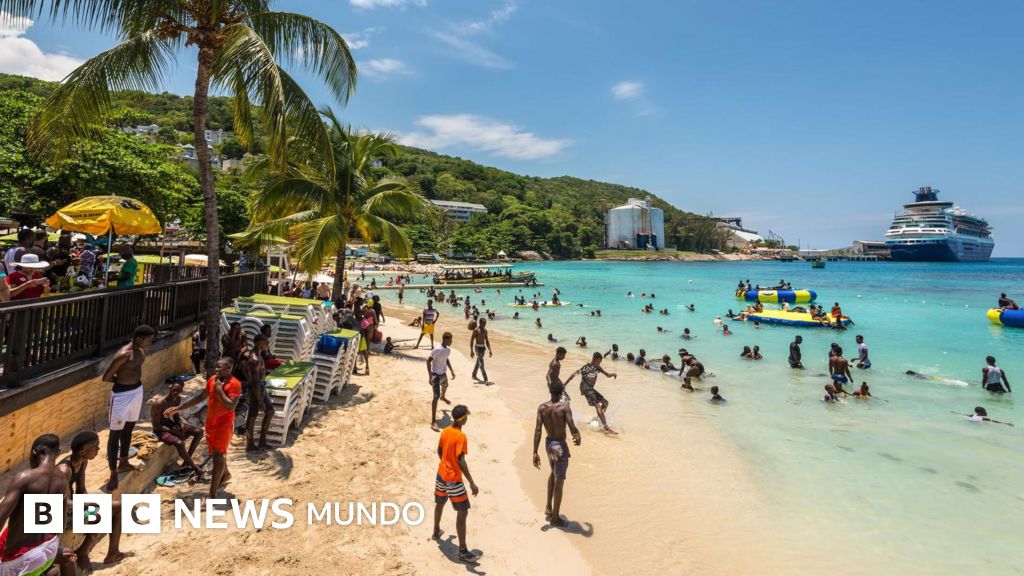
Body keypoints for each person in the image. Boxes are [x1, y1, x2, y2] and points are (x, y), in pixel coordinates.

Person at [166, 357, 241, 498]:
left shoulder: (235, 384)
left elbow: (231, 405)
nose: (216, 369)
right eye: (216, 366)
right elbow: (200, 397)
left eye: (220, 367)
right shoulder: (213, 379)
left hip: (224, 425)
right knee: (216, 453)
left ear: (229, 368)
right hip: (211, 423)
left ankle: (211, 496)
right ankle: (225, 475)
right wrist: (178, 408)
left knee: (218, 457)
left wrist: (219, 390)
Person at [58, 430, 131, 572]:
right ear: (82, 451)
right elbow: (64, 504)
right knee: (99, 514)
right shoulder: (64, 470)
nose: (98, 449)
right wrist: (93, 505)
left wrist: (90, 503)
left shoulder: (82, 462)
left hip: (72, 505)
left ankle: (113, 553)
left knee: (118, 507)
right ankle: (83, 552)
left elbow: (81, 490)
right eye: (95, 447)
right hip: (59, 514)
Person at [0, 434, 67, 576]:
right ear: (58, 453)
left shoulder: (26, 477)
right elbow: (60, 523)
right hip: (49, 549)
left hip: (20, 561)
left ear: (34, 452)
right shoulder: (62, 479)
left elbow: (2, 515)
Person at [100, 324, 154, 491]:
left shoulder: (141, 352)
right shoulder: (123, 355)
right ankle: (113, 472)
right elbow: (107, 377)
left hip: (137, 391)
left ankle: (124, 461)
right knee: (115, 433)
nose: (150, 343)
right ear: (139, 339)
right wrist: (121, 383)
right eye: (148, 340)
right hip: (121, 395)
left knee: (129, 428)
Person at [431, 404, 480, 563]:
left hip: (441, 474)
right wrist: (472, 482)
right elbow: (461, 461)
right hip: (453, 479)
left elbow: (439, 451)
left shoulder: (445, 431)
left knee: (440, 502)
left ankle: (436, 531)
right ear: (463, 419)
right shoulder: (461, 436)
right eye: (467, 417)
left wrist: (446, 463)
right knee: (463, 511)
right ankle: (463, 551)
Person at [533, 381, 582, 528]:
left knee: (553, 474)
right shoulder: (564, 408)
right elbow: (572, 426)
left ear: (550, 391)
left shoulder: (542, 408)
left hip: (549, 444)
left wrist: (535, 451)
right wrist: (578, 437)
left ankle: (549, 507)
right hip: (560, 446)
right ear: (562, 392)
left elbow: (538, 430)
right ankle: (555, 518)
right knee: (559, 481)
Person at [150, 380, 204, 477]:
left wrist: (180, 424)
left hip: (170, 425)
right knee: (180, 443)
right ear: (170, 388)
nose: (175, 393)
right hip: (161, 430)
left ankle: (187, 462)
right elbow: (156, 426)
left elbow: (176, 416)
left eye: (178, 391)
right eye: (174, 390)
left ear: (181, 391)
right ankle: (195, 468)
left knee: (199, 432)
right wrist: (173, 431)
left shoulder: (177, 399)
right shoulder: (158, 404)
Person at [565, 352, 618, 434]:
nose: (599, 363)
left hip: (590, 389)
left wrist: (613, 374)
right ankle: (606, 427)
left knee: (605, 403)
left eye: (600, 362)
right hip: (585, 388)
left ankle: (598, 419)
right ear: (594, 359)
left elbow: (607, 375)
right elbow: (573, 375)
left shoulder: (598, 368)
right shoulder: (585, 368)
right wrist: (564, 384)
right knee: (597, 405)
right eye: (599, 361)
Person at [244, 335, 276, 450]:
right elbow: (254, 383)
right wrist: (260, 400)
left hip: (261, 387)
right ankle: (250, 443)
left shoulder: (259, 355)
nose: (268, 345)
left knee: (270, 411)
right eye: (266, 342)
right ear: (259, 344)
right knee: (252, 416)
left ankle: (262, 440)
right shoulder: (254, 359)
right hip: (256, 390)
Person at [428, 332, 457, 432]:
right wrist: (430, 377)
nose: (451, 341)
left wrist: (452, 370)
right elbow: (428, 361)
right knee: (435, 397)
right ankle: (433, 421)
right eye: (450, 339)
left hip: (443, 374)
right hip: (435, 375)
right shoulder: (437, 349)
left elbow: (446, 359)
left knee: (445, 386)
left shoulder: (448, 350)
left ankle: (443, 397)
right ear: (445, 339)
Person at [469, 319, 492, 383]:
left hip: (483, 348)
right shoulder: (476, 330)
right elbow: (472, 340)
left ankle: (473, 374)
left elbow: (487, 340)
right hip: (477, 348)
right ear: (480, 323)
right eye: (483, 323)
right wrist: (471, 351)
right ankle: (486, 379)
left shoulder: (485, 330)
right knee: (481, 363)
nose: (485, 325)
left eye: (485, 323)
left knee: (478, 362)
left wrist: (490, 350)